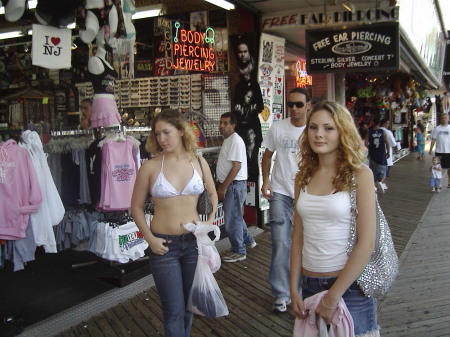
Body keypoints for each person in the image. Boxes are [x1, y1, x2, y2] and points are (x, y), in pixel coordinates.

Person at [290, 101, 378, 336]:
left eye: (328, 128)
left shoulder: (360, 175)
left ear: (342, 132)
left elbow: (366, 243)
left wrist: (332, 297)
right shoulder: (303, 177)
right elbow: (297, 236)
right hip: (309, 285)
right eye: (313, 127)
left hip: (349, 288)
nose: (319, 134)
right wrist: (293, 288)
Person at [131, 109, 218, 337]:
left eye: (166, 132)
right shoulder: (150, 167)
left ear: (181, 131)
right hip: (164, 247)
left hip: (193, 243)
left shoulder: (199, 162)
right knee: (173, 311)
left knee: (190, 307)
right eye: (157, 133)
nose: (161, 139)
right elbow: (136, 207)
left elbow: (213, 194)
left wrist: (207, 224)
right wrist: (150, 238)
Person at [261, 87, 310, 313]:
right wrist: (266, 181)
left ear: (308, 105)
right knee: (281, 243)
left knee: (308, 244)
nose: (294, 108)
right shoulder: (278, 127)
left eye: (299, 104)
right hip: (281, 192)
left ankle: (302, 289)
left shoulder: (315, 129)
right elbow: (267, 155)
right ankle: (281, 293)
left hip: (308, 194)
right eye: (290, 104)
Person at [217, 112, 256, 263]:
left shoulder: (235, 140)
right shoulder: (229, 140)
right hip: (232, 186)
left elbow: (236, 167)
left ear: (233, 125)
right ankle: (248, 240)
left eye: (226, 123)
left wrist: (223, 187)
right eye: (221, 122)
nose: (222, 126)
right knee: (236, 217)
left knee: (232, 220)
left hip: (233, 186)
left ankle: (239, 250)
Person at [88, 28, 122, 128]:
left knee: (115, 130)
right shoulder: (94, 61)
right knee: (112, 130)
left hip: (111, 99)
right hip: (102, 100)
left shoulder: (107, 63)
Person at [366, 117, 390, 193]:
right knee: (383, 172)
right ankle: (380, 182)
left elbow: (366, 144)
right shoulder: (383, 132)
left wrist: (368, 151)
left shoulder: (369, 132)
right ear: (379, 123)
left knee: (373, 172)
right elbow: (387, 142)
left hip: (373, 155)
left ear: (372, 123)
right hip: (382, 155)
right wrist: (388, 152)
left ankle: (374, 187)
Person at [429, 112, 450, 187]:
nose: (444, 119)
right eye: (443, 118)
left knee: (448, 168)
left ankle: (449, 182)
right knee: (438, 168)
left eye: (446, 118)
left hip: (448, 152)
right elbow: (433, 139)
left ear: (448, 119)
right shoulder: (437, 128)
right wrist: (430, 149)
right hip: (439, 151)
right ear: (440, 119)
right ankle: (438, 183)